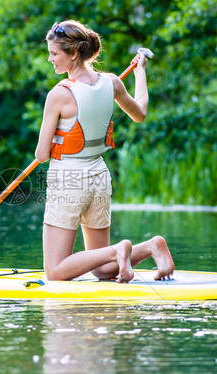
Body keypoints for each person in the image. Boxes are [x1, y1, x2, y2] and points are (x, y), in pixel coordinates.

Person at [35, 20, 174, 283]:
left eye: (54, 54)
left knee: (55, 271)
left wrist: (56, 138)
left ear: (73, 54)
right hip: (99, 176)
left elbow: (41, 155)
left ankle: (117, 249)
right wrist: (140, 72)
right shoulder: (111, 82)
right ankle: (151, 247)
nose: (50, 59)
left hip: (69, 179)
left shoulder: (58, 94)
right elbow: (140, 113)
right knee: (102, 269)